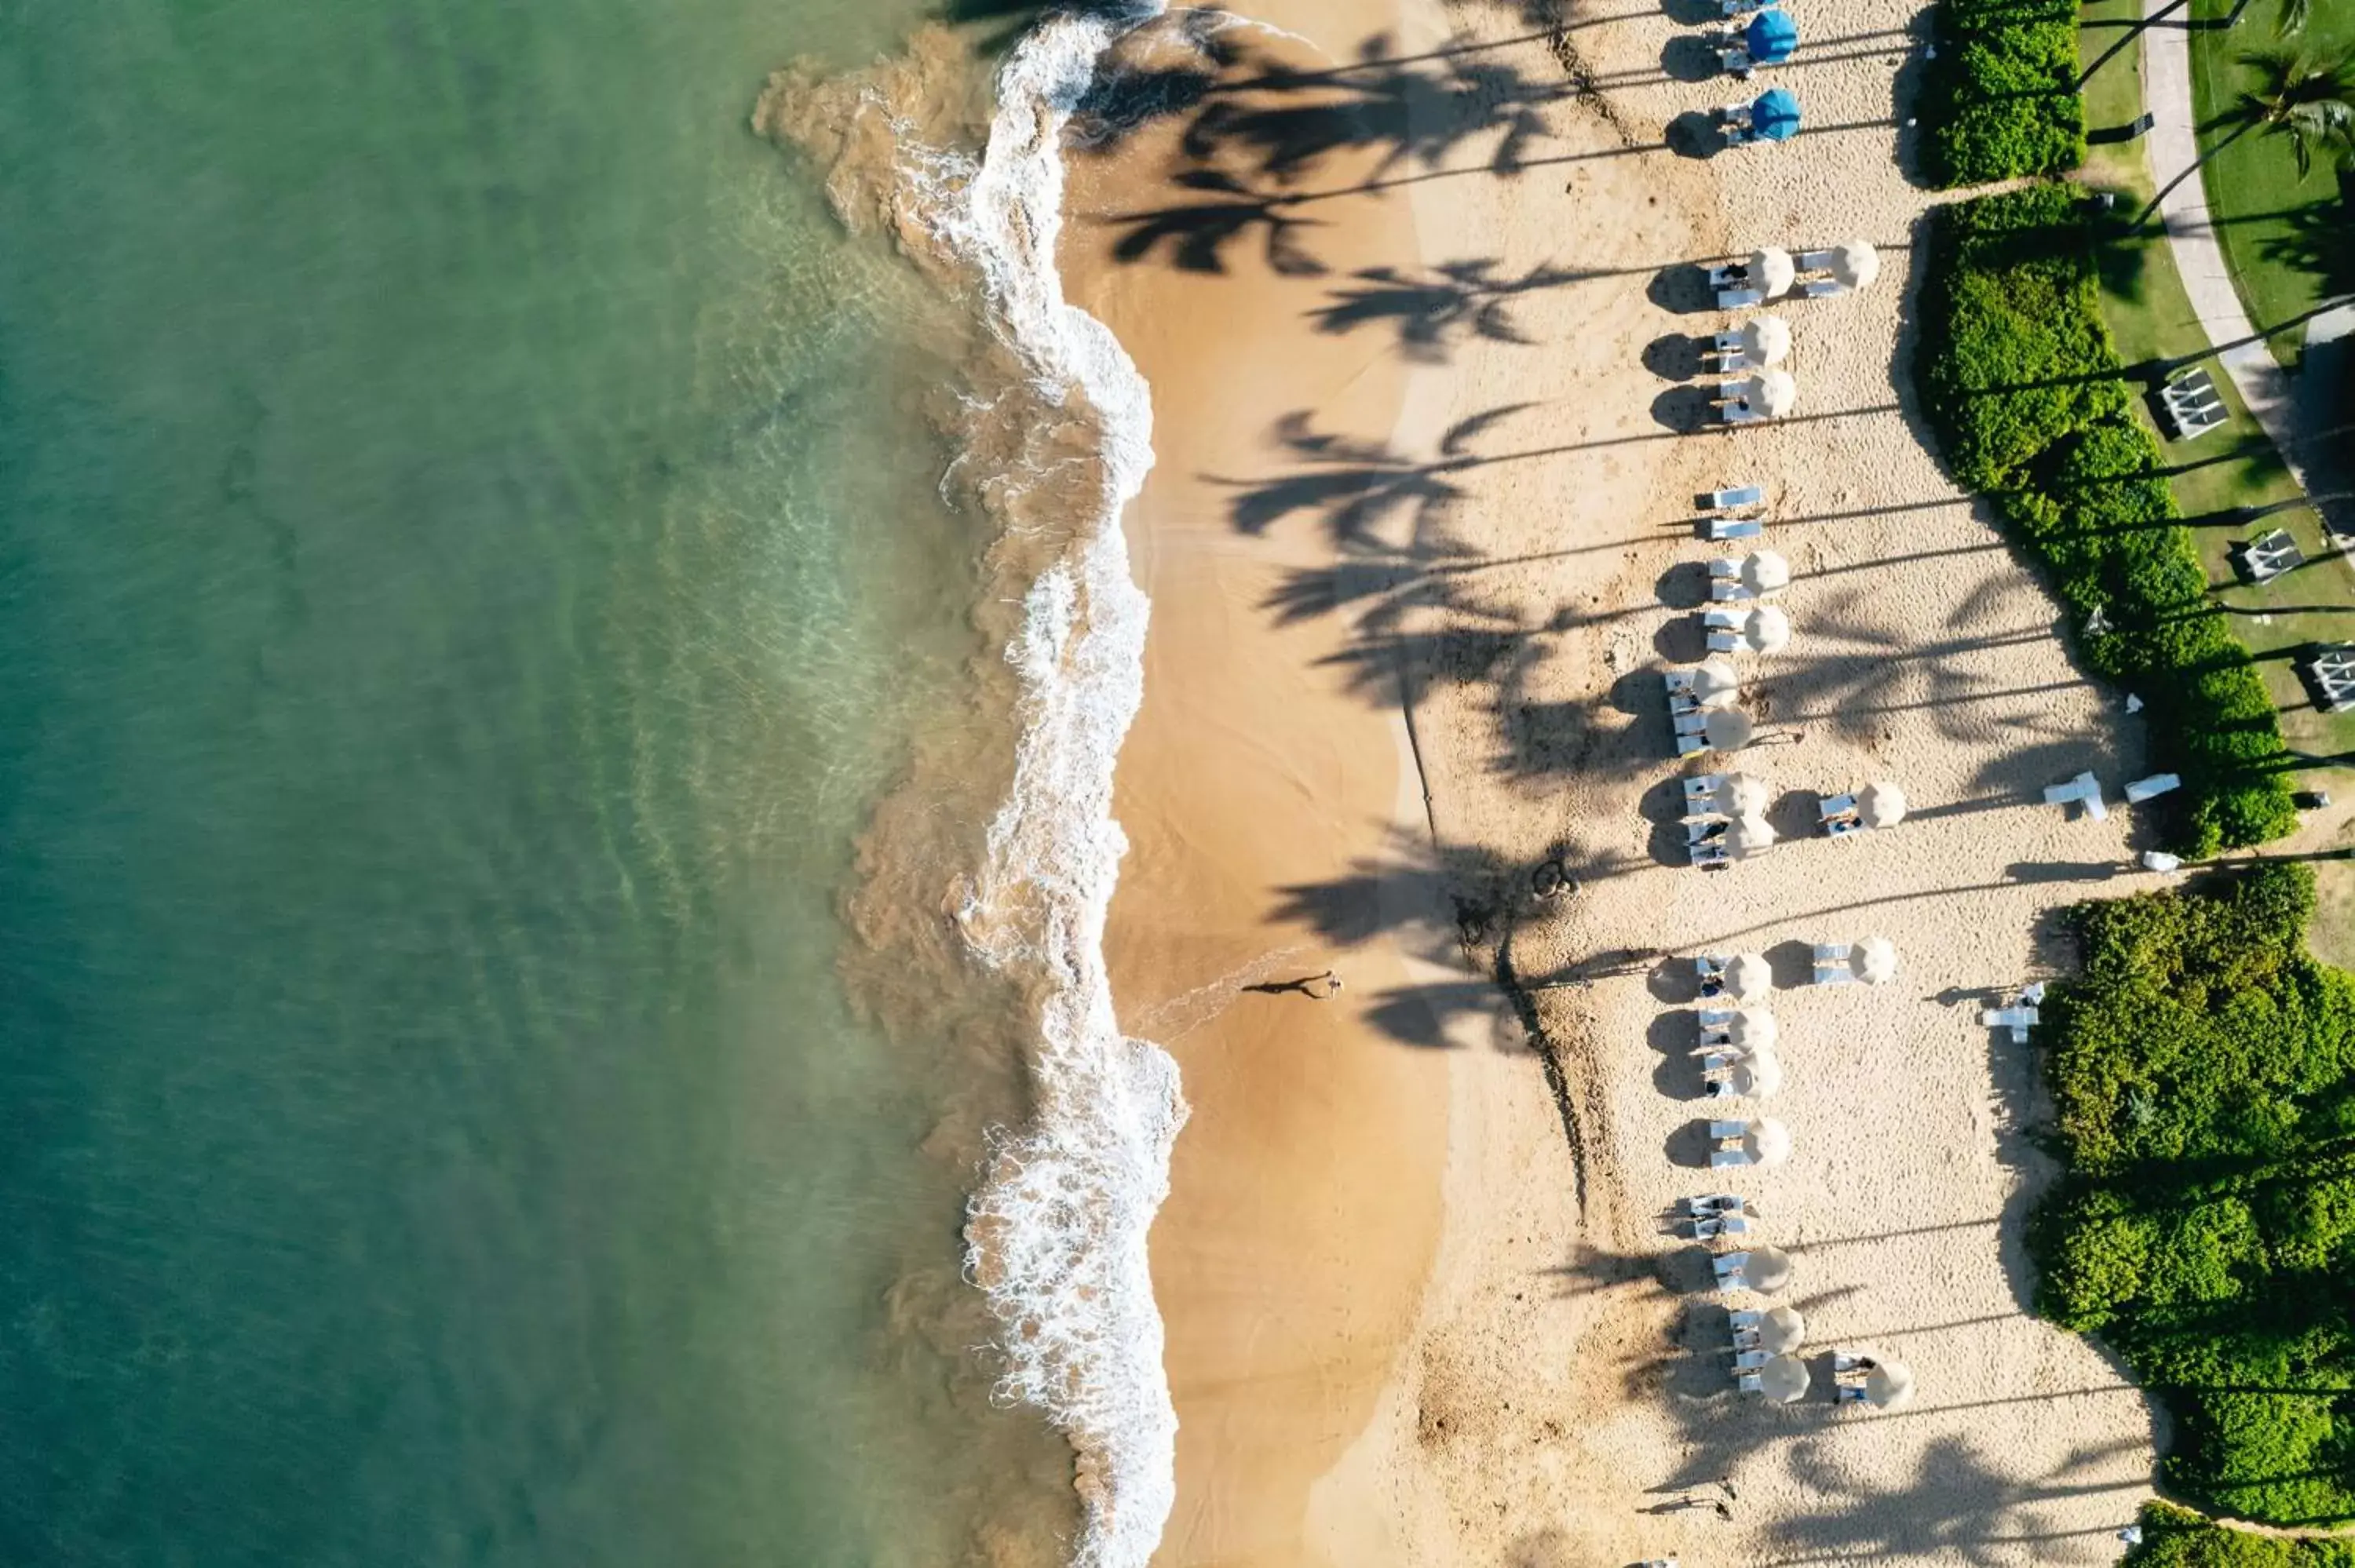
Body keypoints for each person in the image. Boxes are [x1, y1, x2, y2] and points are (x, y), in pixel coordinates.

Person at [1244, 970, 1342, 999]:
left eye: (1336, 984)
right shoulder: (1334, 980)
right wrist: (1328, 974)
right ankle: (1320, 997)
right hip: (1290, 986)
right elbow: (1333, 975)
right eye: (1336, 982)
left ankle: (1320, 997)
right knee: (1307, 980)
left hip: (1292, 987)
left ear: (1336, 985)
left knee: (1311, 994)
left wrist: (1330, 996)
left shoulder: (1333, 986)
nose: (1335, 983)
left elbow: (1332, 991)